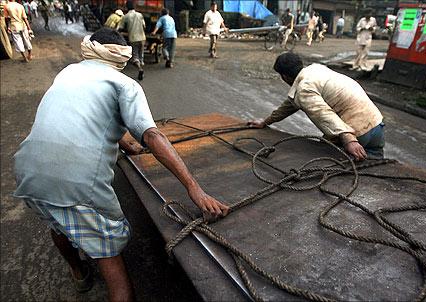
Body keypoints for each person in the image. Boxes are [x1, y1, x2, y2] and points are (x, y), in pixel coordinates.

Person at [13, 27, 229, 301]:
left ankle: (78, 272)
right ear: (121, 59)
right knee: (112, 264)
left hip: (27, 171)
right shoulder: (124, 84)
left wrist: (127, 144)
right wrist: (194, 189)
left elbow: (86, 117)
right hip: (76, 181)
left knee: (58, 222)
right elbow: (151, 134)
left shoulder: (69, 72)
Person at [248, 53, 385, 161]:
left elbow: (324, 115)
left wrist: (350, 140)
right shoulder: (316, 69)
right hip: (376, 125)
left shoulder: (303, 89)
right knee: (377, 168)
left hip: (357, 134)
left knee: (322, 159)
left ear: (284, 76)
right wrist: (265, 122)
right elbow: (289, 105)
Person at [119, 0, 146, 80]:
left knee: (135, 56)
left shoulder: (126, 16)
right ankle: (141, 63)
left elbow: (120, 28)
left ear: (127, 7)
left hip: (133, 38)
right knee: (141, 55)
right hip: (142, 38)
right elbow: (144, 26)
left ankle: (140, 69)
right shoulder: (140, 15)